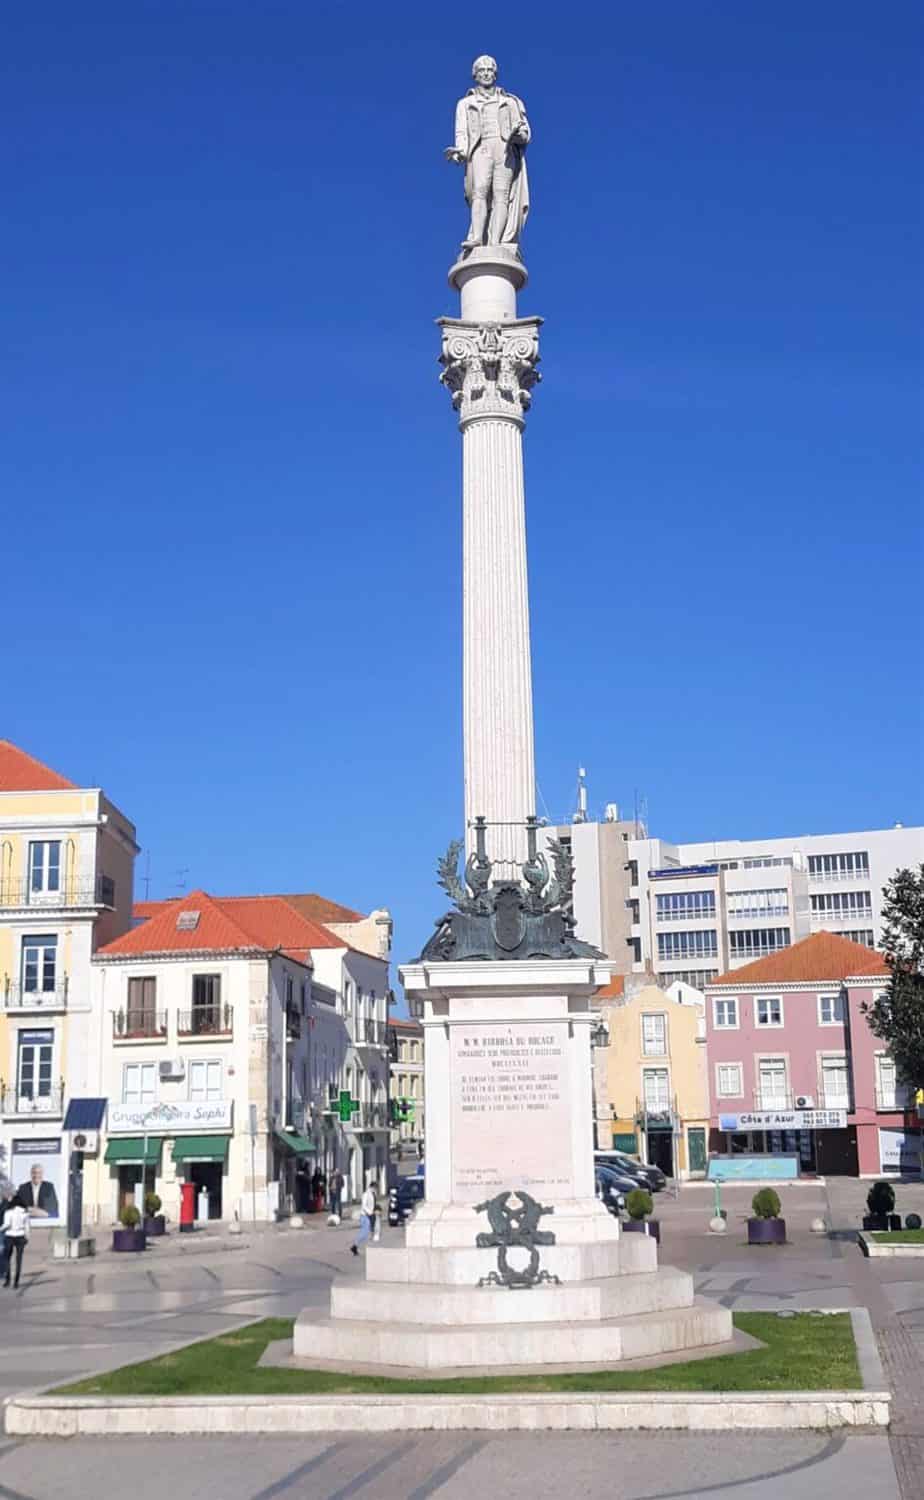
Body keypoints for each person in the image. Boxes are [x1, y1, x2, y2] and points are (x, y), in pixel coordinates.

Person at [445, 55, 531, 249]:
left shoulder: (510, 102)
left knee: (502, 195)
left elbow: (524, 133)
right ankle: (477, 237)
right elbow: (462, 132)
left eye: (489, 70)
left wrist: (518, 135)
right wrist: (460, 151)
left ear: (495, 74)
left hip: (505, 150)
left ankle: (495, 242)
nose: (486, 74)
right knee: (480, 191)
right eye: (481, 70)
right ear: (475, 75)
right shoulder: (465, 103)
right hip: (481, 149)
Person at [2, 1194, 30, 1288]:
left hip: (9, 1235)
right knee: (19, 1260)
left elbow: (6, 1225)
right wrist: (27, 1238)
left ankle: (7, 1280)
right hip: (20, 1236)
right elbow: (27, 1227)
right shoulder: (25, 1213)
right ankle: (16, 1282)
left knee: (7, 1258)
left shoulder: (8, 1212)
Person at [349, 1181, 376, 1257]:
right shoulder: (366, 1194)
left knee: (366, 1232)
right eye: (374, 1188)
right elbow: (364, 1206)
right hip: (365, 1216)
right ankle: (355, 1246)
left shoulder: (372, 1194)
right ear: (371, 1187)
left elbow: (372, 1205)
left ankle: (355, 1246)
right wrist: (370, 1213)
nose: (375, 1189)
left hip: (369, 1215)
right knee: (364, 1232)